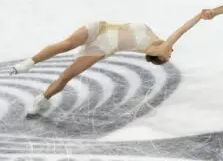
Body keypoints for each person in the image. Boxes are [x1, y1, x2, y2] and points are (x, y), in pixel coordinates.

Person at [11, 12, 203, 115]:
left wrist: (199, 16)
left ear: (160, 57)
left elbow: (181, 31)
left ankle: (41, 99)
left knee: (67, 75)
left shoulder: (158, 49)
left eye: (168, 56)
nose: (171, 52)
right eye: (170, 54)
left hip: (103, 47)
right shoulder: (156, 39)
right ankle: (27, 63)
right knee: (66, 44)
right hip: (99, 28)